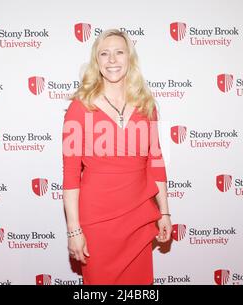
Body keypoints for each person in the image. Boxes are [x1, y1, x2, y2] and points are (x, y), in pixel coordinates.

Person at [62, 29, 172, 285]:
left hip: (138, 218)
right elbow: (70, 175)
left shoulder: (147, 106)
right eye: (104, 53)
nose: (112, 60)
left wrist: (164, 212)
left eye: (119, 52)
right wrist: (74, 229)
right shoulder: (79, 108)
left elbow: (156, 162)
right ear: (96, 61)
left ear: (130, 58)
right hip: (97, 221)